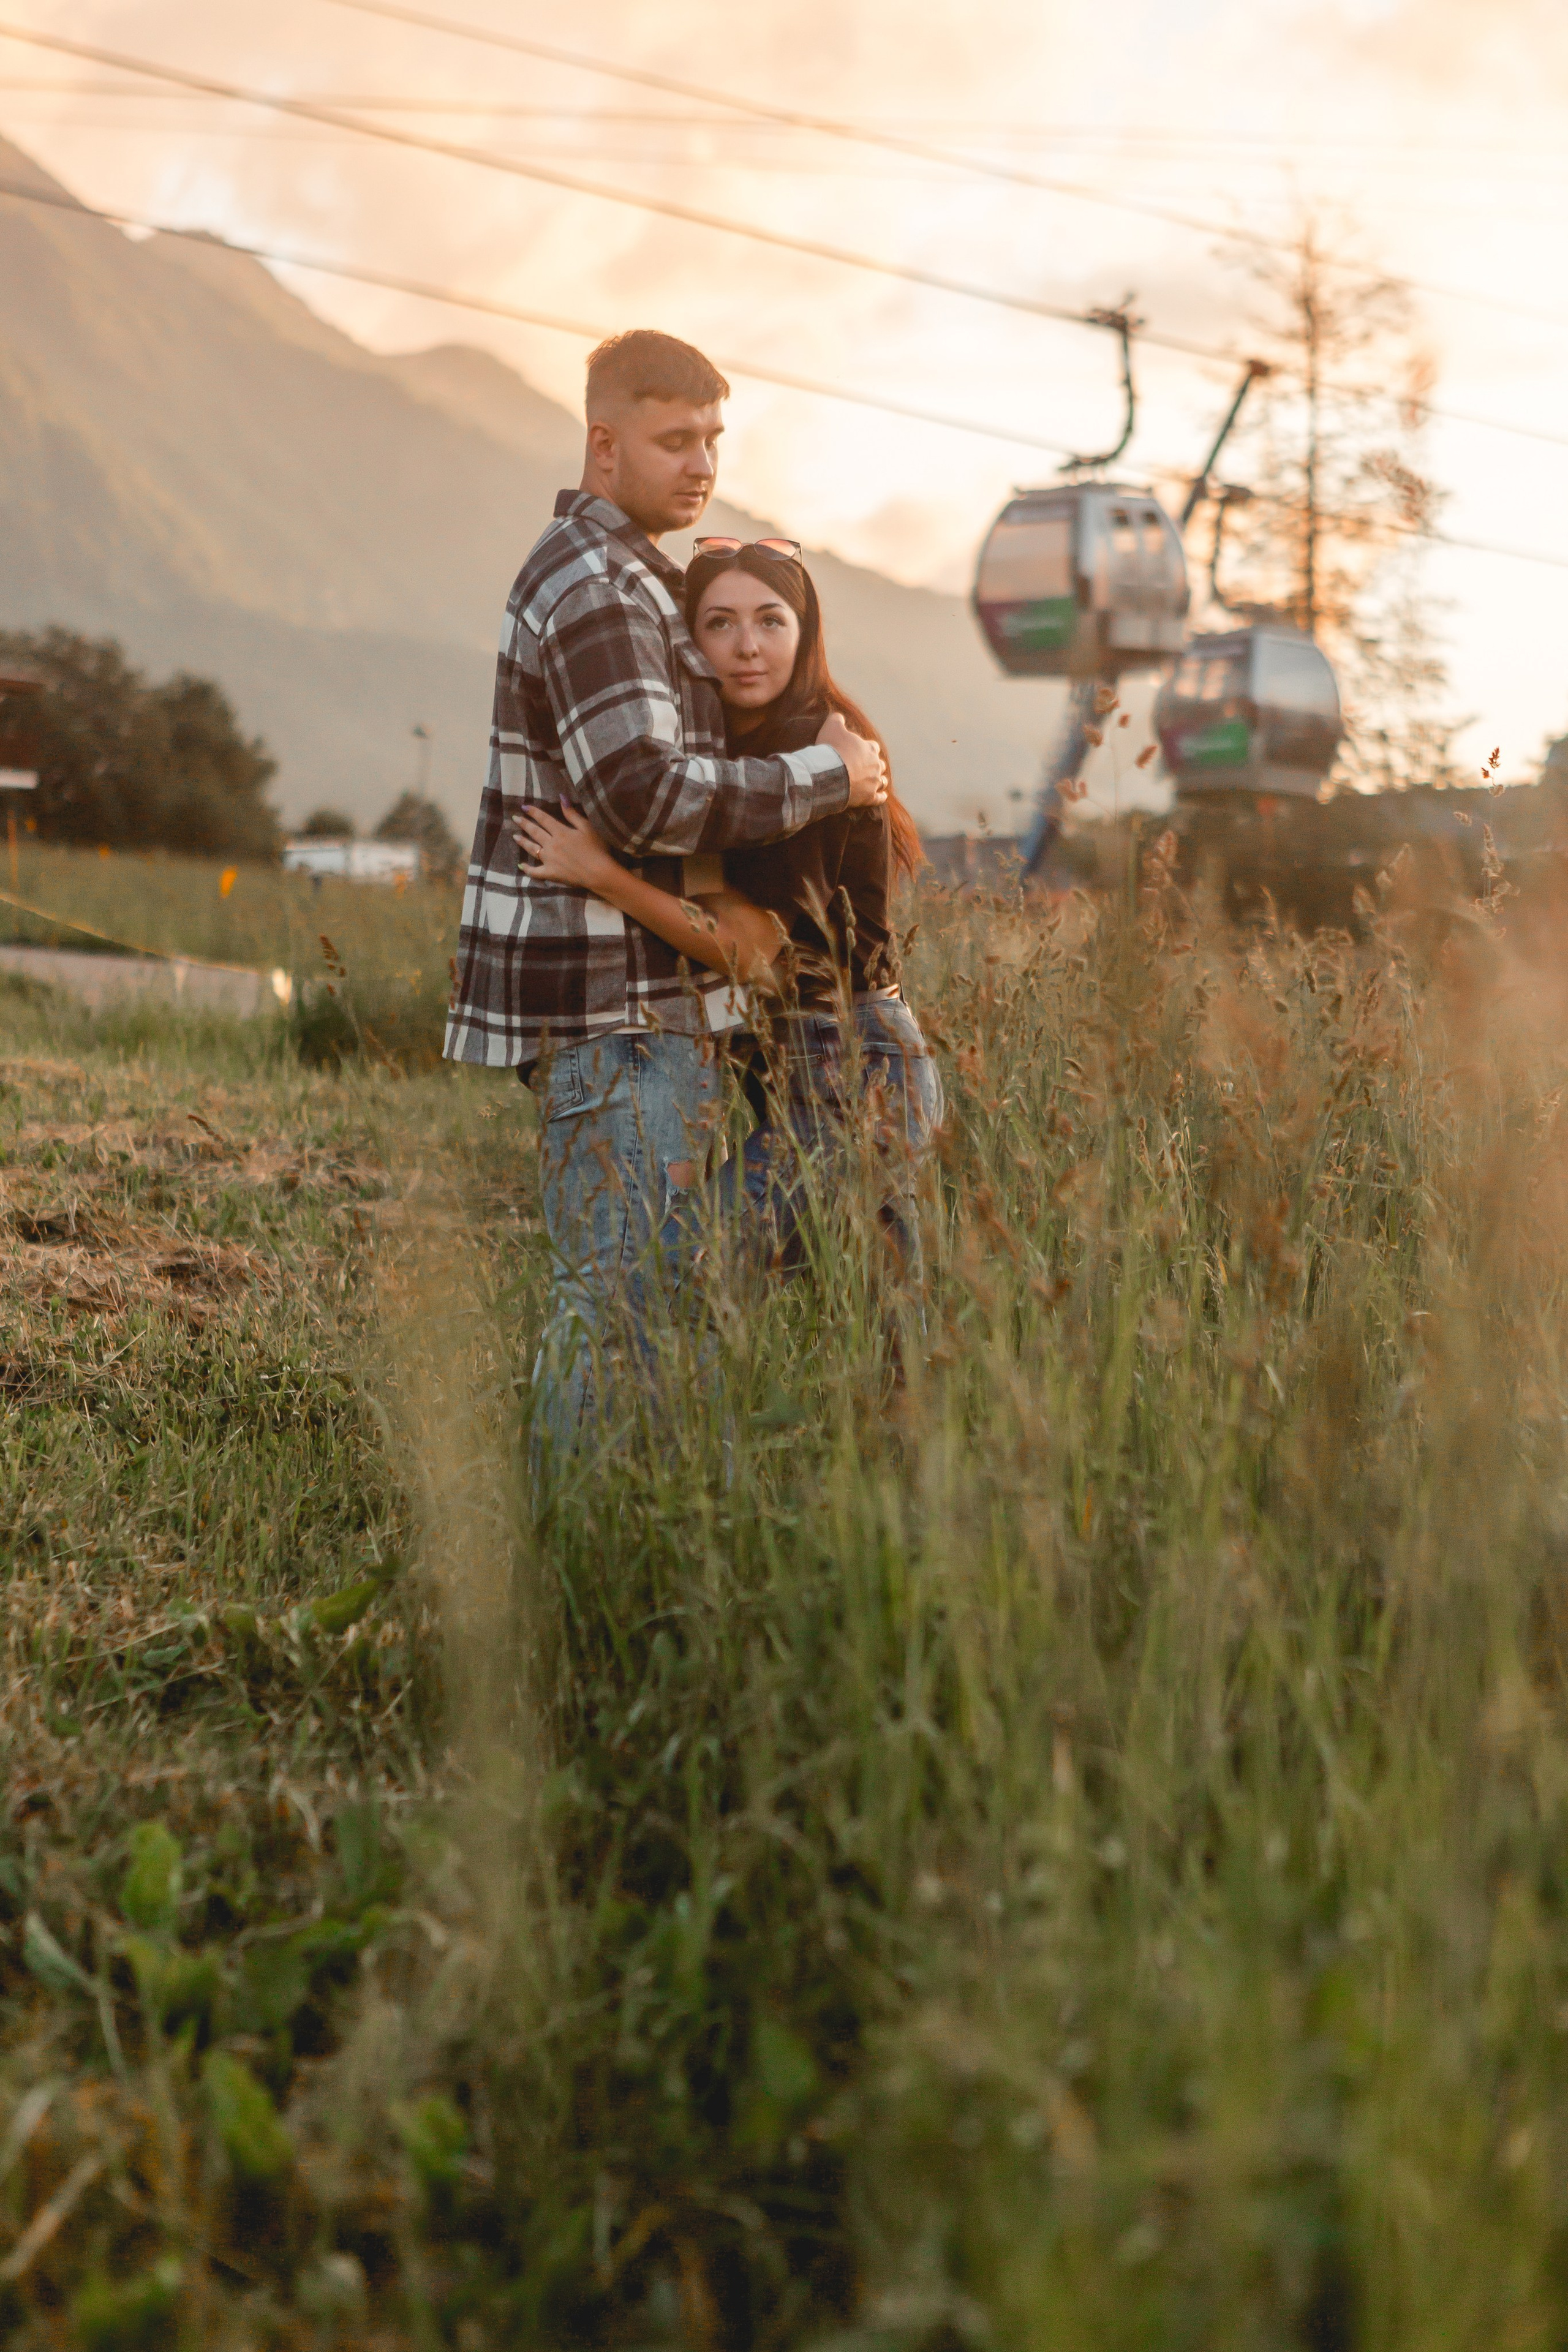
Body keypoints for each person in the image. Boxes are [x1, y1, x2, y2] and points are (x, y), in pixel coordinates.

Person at [443, 331, 889, 1461]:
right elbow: (640, 795)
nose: (702, 464)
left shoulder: (637, 576)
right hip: (616, 1012)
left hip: (650, 1015)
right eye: (674, 439)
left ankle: (613, 1551)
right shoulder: (597, 583)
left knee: (638, 1304)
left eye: (714, 440)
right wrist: (825, 775)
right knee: (615, 1304)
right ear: (604, 443)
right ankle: (574, 1583)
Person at [512, 538, 943, 1286]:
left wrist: (603, 875)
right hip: (823, 1065)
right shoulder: (752, 761)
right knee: (881, 1324)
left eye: (771, 622)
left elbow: (754, 954)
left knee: (684, 1272)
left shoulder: (809, 749)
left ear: (805, 635)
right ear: (688, 639)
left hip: (855, 1067)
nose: (747, 647)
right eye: (719, 624)